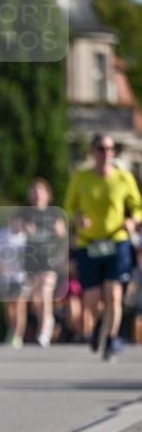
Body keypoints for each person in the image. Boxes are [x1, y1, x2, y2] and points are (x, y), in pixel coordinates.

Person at [64, 133, 142, 360]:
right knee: (92, 300)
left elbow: (138, 207)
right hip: (89, 244)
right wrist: (77, 219)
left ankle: (111, 339)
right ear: (93, 151)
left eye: (110, 149)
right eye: (101, 148)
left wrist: (132, 220)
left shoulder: (123, 178)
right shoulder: (81, 178)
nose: (106, 153)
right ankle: (100, 323)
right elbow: (68, 206)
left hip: (117, 240)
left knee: (114, 294)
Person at [15, 178, 67, 348]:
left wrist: (59, 233)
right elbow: (13, 228)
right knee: (35, 299)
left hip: (48, 258)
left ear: (47, 194)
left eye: (40, 190)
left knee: (45, 291)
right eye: (34, 190)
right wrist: (22, 227)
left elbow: (63, 234)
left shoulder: (54, 213)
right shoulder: (24, 213)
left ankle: (43, 332)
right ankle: (48, 319)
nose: (37, 194)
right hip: (30, 259)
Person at [0, 217, 27, 349]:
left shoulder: (26, 236)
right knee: (9, 307)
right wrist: (1, 267)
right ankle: (11, 331)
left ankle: (18, 336)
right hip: (5, 277)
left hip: (22, 277)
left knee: (19, 306)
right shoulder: (2, 234)